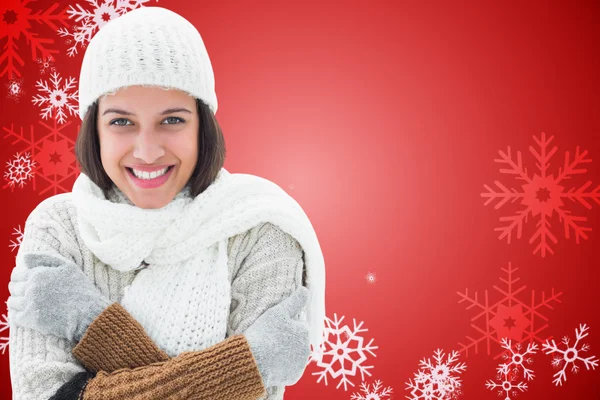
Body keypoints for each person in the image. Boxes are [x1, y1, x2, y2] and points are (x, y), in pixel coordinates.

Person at [6, 6, 326, 400]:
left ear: (202, 125)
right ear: (94, 130)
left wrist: (87, 321)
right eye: (121, 122)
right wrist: (248, 363)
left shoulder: (258, 230)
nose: (147, 150)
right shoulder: (59, 229)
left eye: (172, 120)